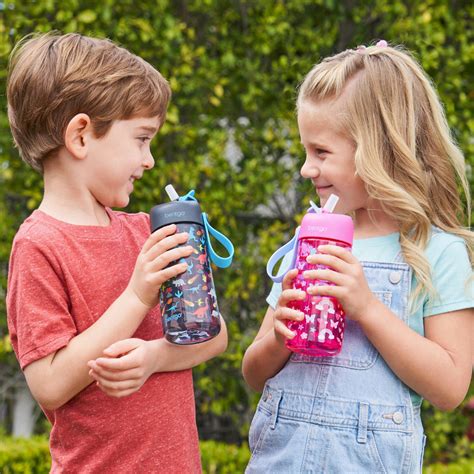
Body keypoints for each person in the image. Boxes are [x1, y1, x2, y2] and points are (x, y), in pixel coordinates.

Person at [242, 40, 473, 473]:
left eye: (321, 152)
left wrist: (367, 307)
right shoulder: (308, 240)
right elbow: (254, 374)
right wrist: (278, 335)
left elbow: (450, 388)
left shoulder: (437, 251)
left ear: (378, 149)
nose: (306, 169)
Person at [6, 32, 227, 473]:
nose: (148, 160)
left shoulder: (146, 230)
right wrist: (137, 296)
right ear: (82, 136)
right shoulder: (39, 245)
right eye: (141, 139)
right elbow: (49, 384)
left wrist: (156, 358)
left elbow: (214, 334)